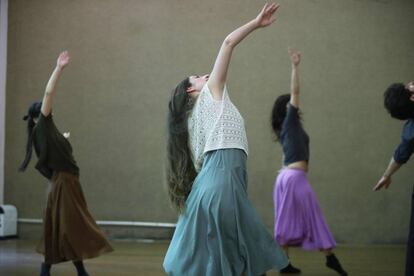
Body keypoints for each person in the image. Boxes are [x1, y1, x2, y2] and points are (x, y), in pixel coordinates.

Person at [163, 3, 288, 275]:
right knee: (240, 256)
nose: (206, 76)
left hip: (214, 187)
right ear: (191, 90)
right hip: (221, 186)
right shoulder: (211, 94)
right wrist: (256, 23)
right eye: (198, 77)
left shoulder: (195, 124)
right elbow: (228, 42)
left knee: (229, 258)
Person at [19, 51, 113, 276]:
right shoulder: (42, 125)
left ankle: (51, 270)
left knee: (61, 227)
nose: (48, 108)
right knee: (72, 227)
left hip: (64, 184)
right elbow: (49, 91)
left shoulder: (43, 133)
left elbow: (52, 152)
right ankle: (71, 271)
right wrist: (59, 68)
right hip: (63, 184)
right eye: (43, 108)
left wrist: (64, 139)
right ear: (36, 117)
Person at [271, 48, 347, 275]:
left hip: (290, 177)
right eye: (292, 105)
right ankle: (329, 258)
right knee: (311, 217)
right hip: (294, 179)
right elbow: (295, 92)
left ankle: (287, 263)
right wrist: (295, 67)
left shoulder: (291, 128)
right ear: (288, 109)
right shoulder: (290, 123)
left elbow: (290, 153)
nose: (296, 104)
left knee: (293, 219)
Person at [373, 81, 414, 276]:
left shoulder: (411, 129)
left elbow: (401, 154)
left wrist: (386, 175)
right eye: (410, 86)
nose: (411, 83)